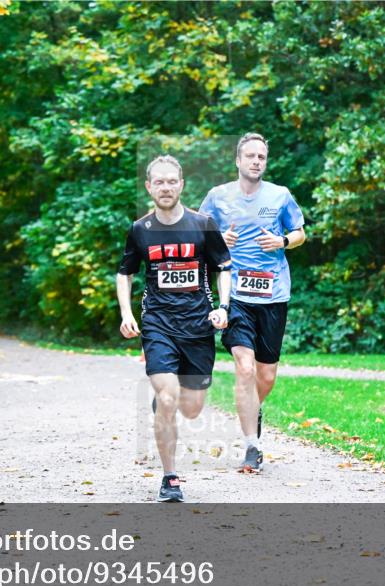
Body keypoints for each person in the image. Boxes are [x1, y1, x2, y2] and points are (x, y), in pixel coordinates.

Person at [117, 155, 232, 502]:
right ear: (149, 187)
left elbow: (224, 267)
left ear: (181, 185)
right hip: (158, 324)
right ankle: (170, 478)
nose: (165, 187)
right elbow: (125, 273)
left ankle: (166, 398)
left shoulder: (203, 225)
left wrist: (223, 307)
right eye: (159, 182)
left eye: (171, 181)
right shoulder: (140, 230)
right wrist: (126, 313)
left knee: (192, 408)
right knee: (168, 397)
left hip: (198, 326)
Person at [198, 133, 306, 473]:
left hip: (273, 294)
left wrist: (282, 240)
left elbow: (300, 233)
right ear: (238, 160)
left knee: (266, 375)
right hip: (235, 294)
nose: (257, 161)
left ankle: (249, 409)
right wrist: (218, 238)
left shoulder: (280, 195)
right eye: (251, 156)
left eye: (261, 156)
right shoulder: (218, 196)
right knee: (244, 368)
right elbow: (197, 233)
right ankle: (251, 445)